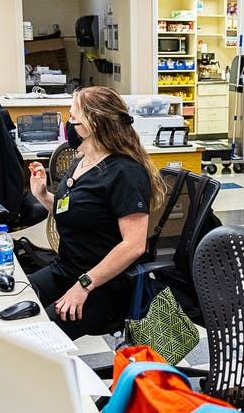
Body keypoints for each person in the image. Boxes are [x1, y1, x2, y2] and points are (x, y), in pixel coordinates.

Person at [26, 86, 166, 339]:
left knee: (37, 335)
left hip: (105, 285)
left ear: (93, 125)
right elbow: (75, 216)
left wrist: (84, 286)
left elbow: (134, 246)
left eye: (73, 118)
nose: (69, 124)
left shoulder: (124, 173)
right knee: (10, 301)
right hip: (67, 270)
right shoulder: (83, 161)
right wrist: (44, 196)